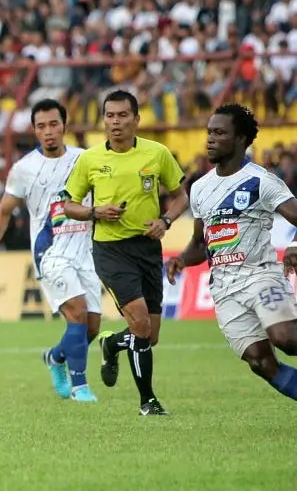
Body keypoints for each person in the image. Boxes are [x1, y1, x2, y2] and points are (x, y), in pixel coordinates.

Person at [61, 90, 188, 416]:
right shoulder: (89, 160)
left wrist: (166, 220)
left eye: (122, 115)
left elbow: (181, 195)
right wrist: (95, 212)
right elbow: (69, 205)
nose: (115, 122)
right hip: (110, 249)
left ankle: (112, 343)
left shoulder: (157, 153)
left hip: (147, 247)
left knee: (150, 335)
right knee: (141, 324)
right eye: (109, 116)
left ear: (136, 119)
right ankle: (148, 401)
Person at [166, 104, 297, 401]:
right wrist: (182, 260)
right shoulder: (199, 188)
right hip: (224, 289)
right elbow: (201, 243)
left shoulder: (260, 181)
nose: (210, 139)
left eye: (219, 133)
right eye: (209, 132)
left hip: (260, 276)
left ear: (240, 140)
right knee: (260, 362)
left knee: (286, 338)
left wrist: (295, 244)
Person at [0, 99, 101, 402]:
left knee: (92, 328)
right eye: (41, 126)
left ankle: (56, 358)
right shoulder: (24, 169)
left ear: (64, 126)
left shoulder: (85, 160)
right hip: (50, 254)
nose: (48, 132)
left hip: (85, 252)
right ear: (34, 130)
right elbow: (4, 210)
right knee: (78, 314)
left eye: (53, 125)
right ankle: (80, 386)